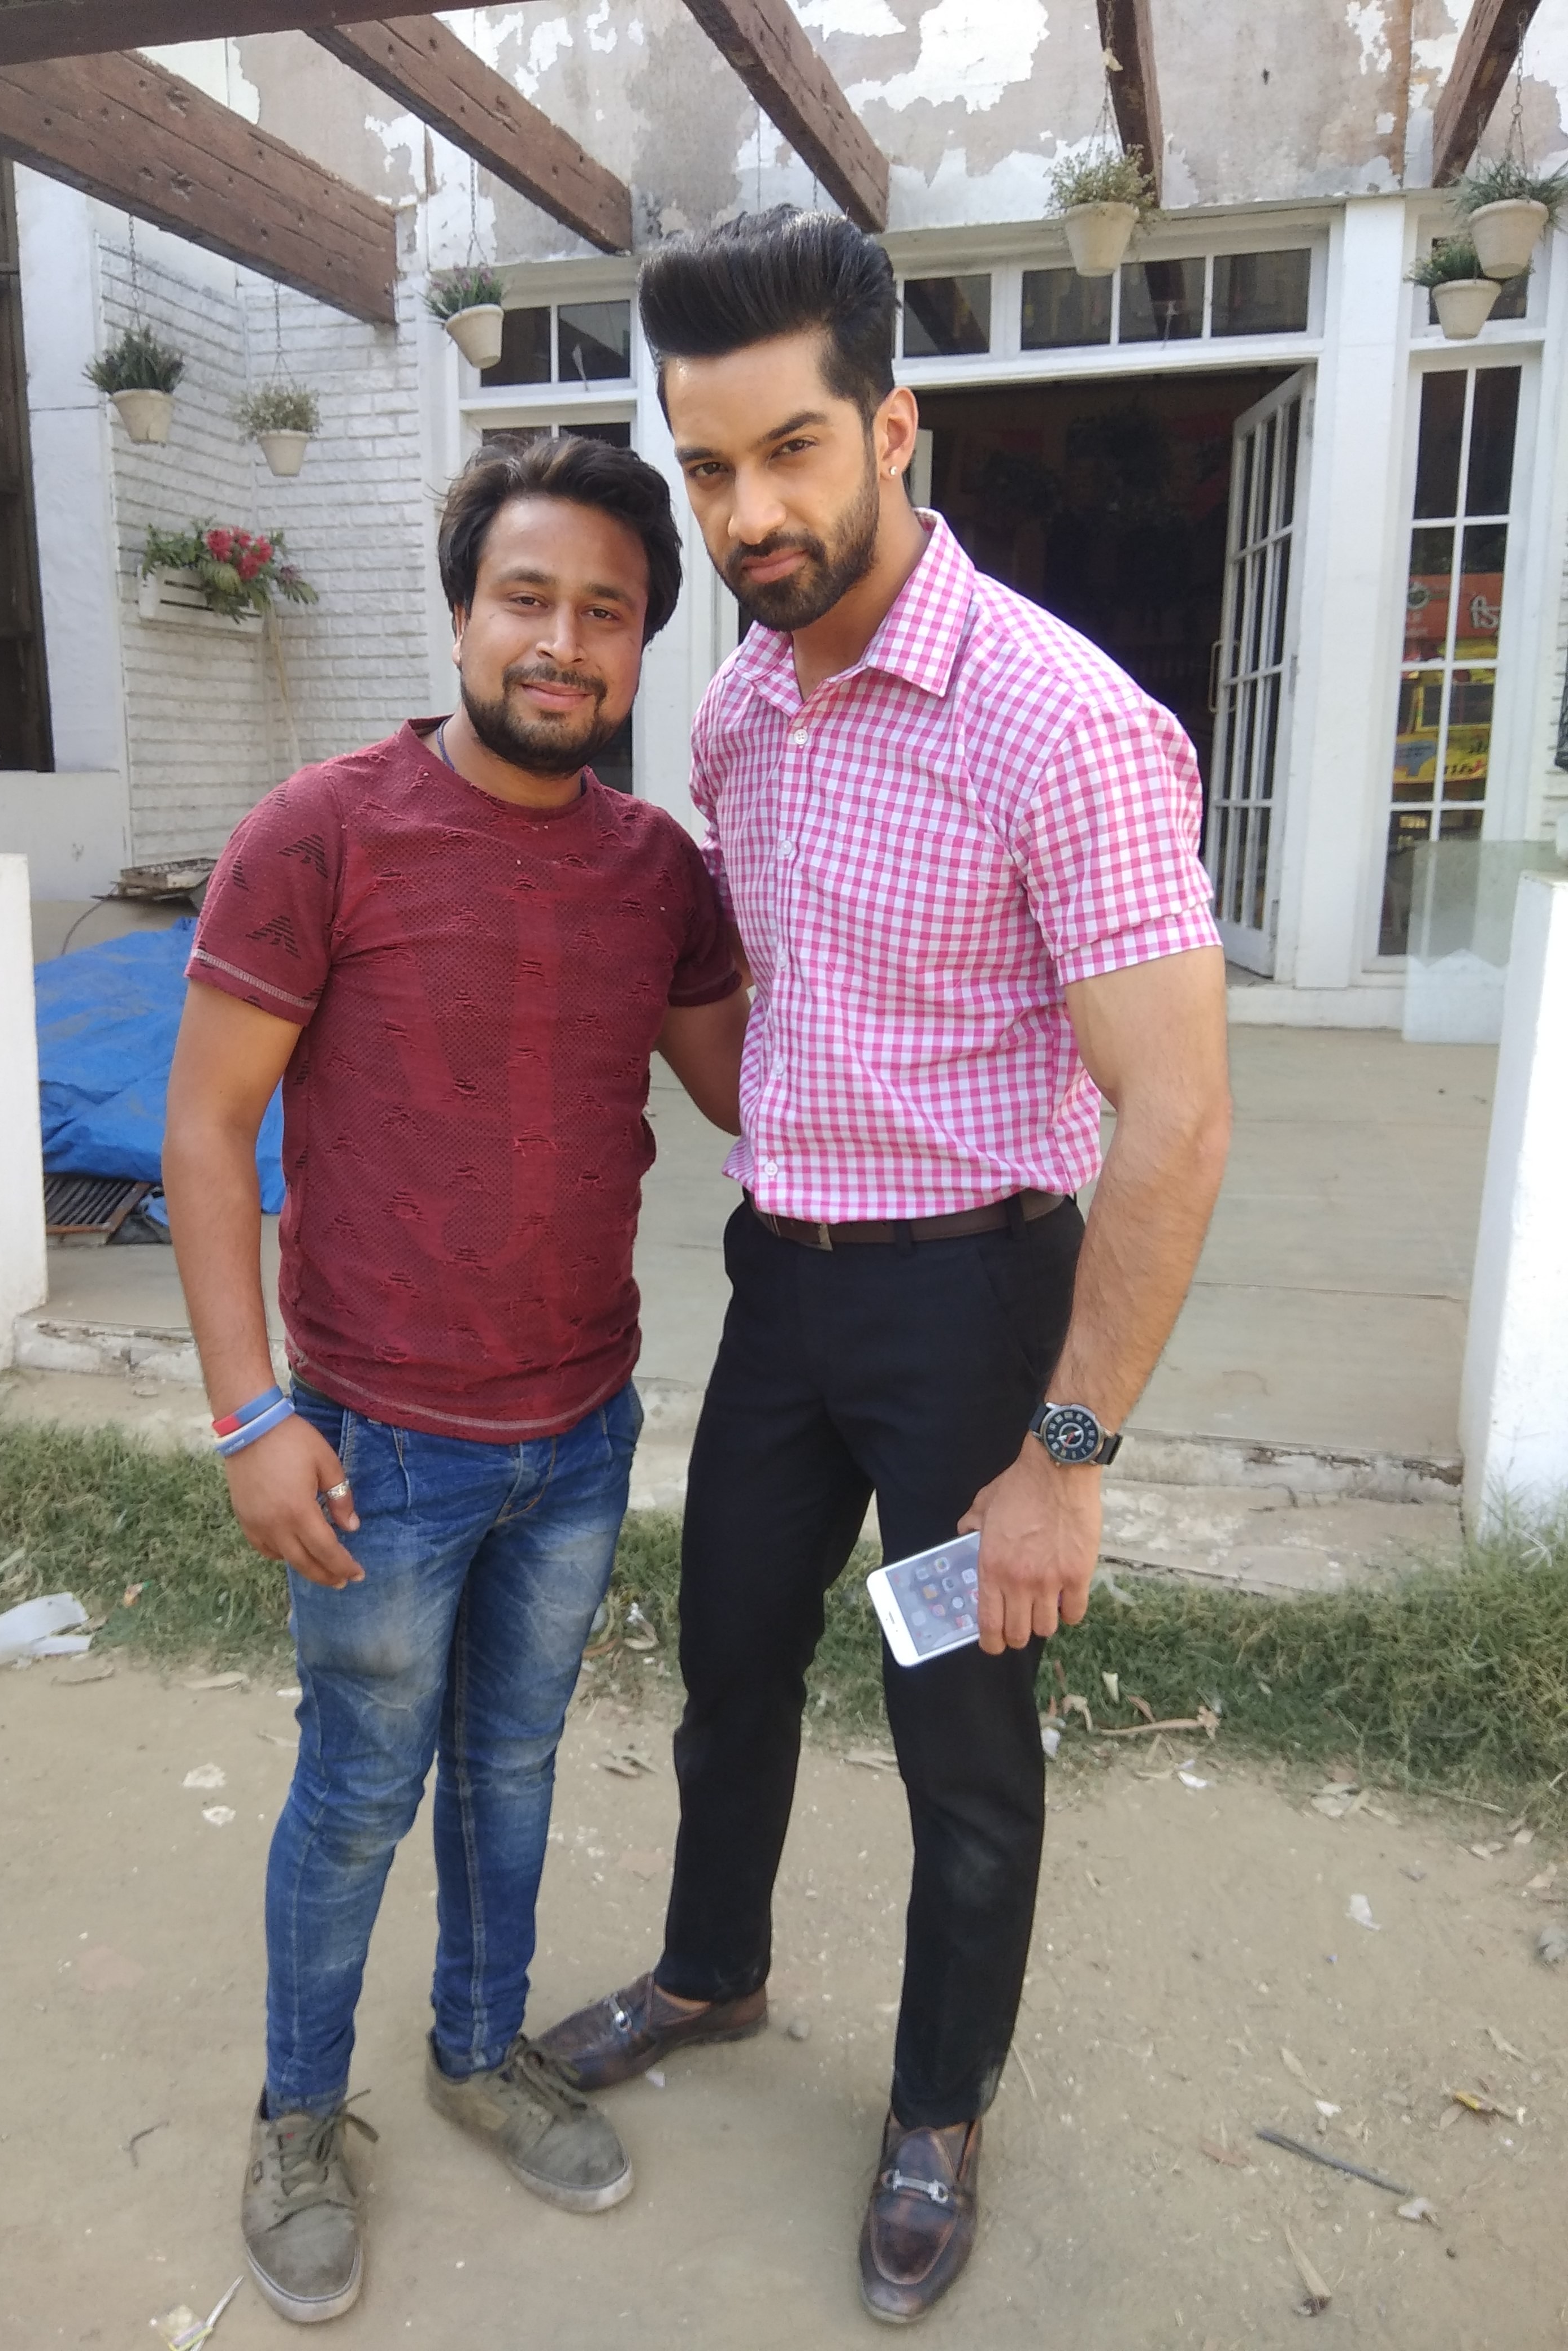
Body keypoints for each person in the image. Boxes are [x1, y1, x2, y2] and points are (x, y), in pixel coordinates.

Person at [537, 209, 1233, 2326]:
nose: (748, 512)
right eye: (708, 466)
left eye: (793, 452)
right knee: (734, 1656)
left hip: (973, 1318)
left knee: (960, 1733)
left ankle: (939, 2107)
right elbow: (774, 1008)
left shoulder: (1062, 723)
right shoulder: (743, 709)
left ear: (896, 429)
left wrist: (1065, 1457)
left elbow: (1178, 1118)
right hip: (790, 1285)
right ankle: (715, 1969)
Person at [162, 433, 747, 2327]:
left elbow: (754, 1095)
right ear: (463, 610)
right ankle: (297, 2118)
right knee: (358, 1793)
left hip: (578, 1434)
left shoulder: (659, 875)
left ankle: (480, 2052)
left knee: (510, 1768)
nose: (563, 643)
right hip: (377, 1447)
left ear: (645, 643)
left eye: (607, 612)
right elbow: (205, 1129)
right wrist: (252, 1414)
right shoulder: (321, 833)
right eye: (529, 599)